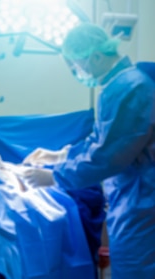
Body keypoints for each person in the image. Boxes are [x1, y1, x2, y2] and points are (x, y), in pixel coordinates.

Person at [22, 23, 155, 277]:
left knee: (136, 269)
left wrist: (54, 176)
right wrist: (60, 155)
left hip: (143, 200)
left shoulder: (130, 87)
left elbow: (108, 156)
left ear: (95, 56)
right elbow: (101, 140)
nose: (77, 72)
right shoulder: (120, 85)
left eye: (76, 65)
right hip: (132, 197)